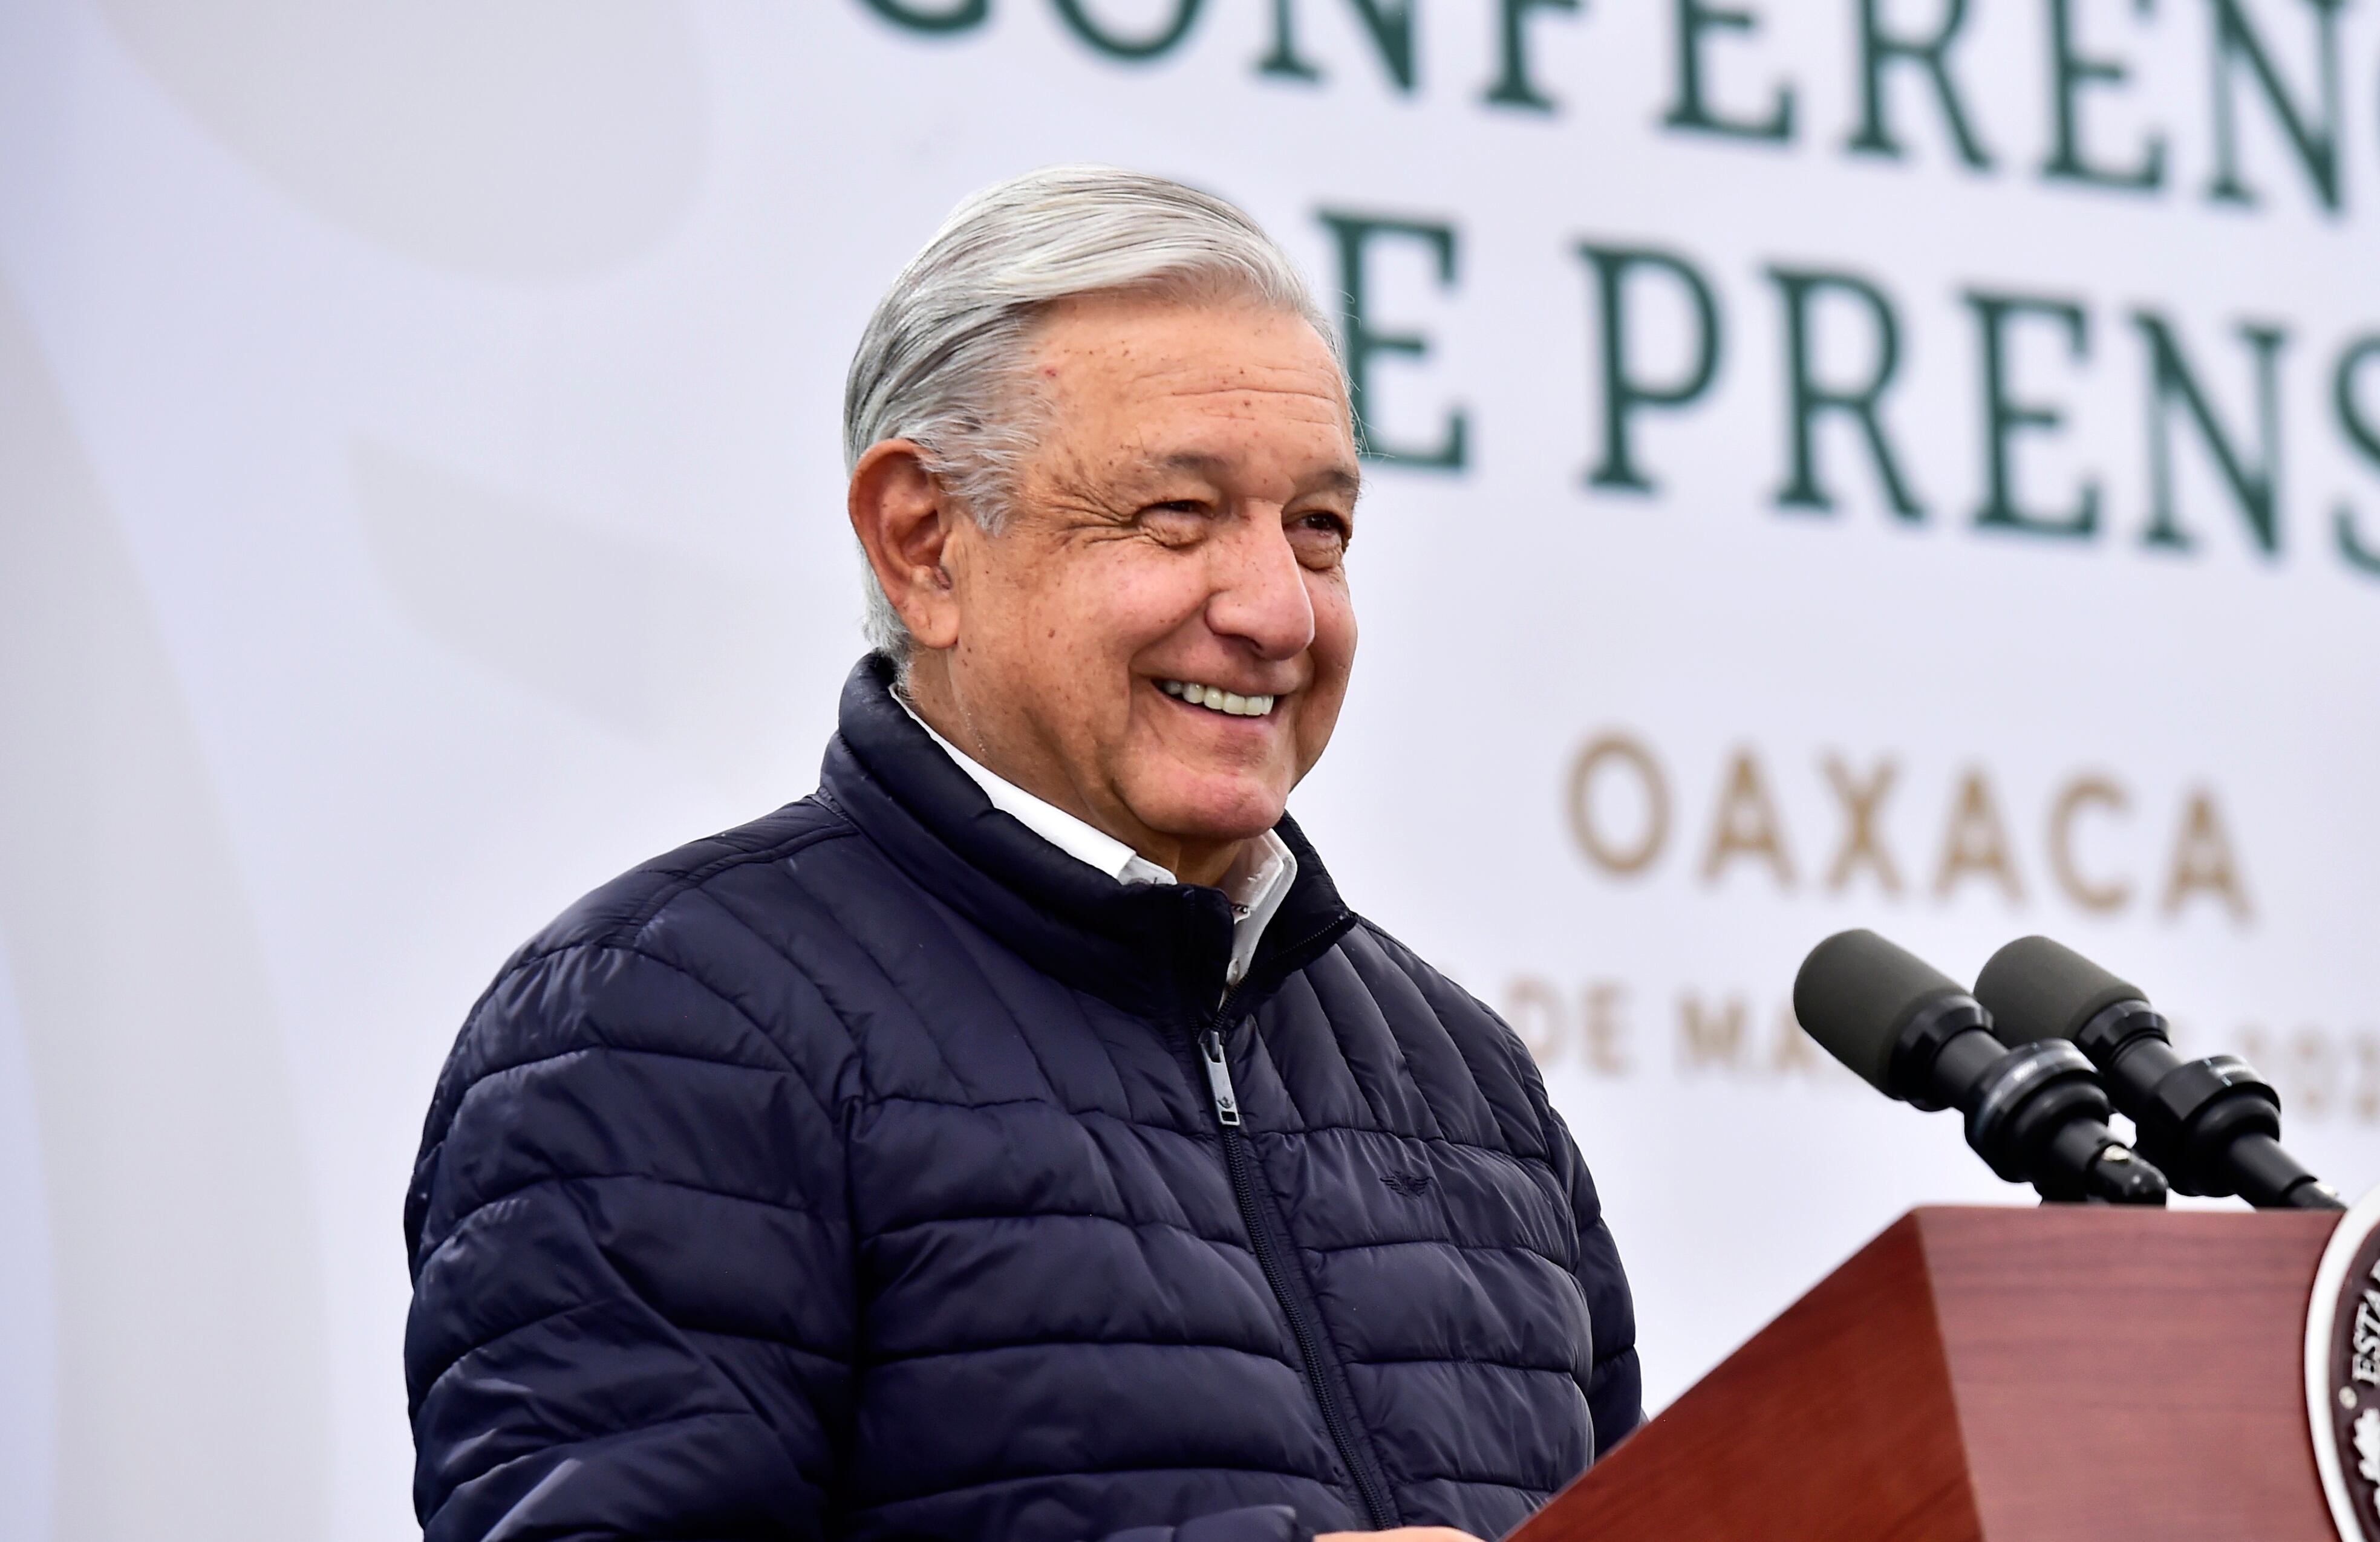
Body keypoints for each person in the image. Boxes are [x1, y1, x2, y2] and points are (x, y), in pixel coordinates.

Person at [400, 165, 1640, 1542]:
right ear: (925, 544)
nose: (1280, 612)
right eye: (1177, 516)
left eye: (1319, 530)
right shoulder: (663, 1025)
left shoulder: (1466, 1087)